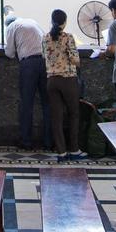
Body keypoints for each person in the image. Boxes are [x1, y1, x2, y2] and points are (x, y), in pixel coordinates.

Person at [4, 11, 50, 150]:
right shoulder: (32, 21)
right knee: (47, 104)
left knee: (27, 104)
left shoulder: (12, 27)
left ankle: (26, 141)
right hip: (45, 62)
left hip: (29, 64)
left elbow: (9, 53)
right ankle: (49, 142)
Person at [43, 9, 84, 160]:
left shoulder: (45, 37)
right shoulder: (68, 37)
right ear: (65, 22)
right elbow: (74, 59)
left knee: (56, 117)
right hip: (67, 79)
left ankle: (61, 151)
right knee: (73, 114)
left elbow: (44, 56)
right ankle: (74, 149)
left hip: (51, 80)